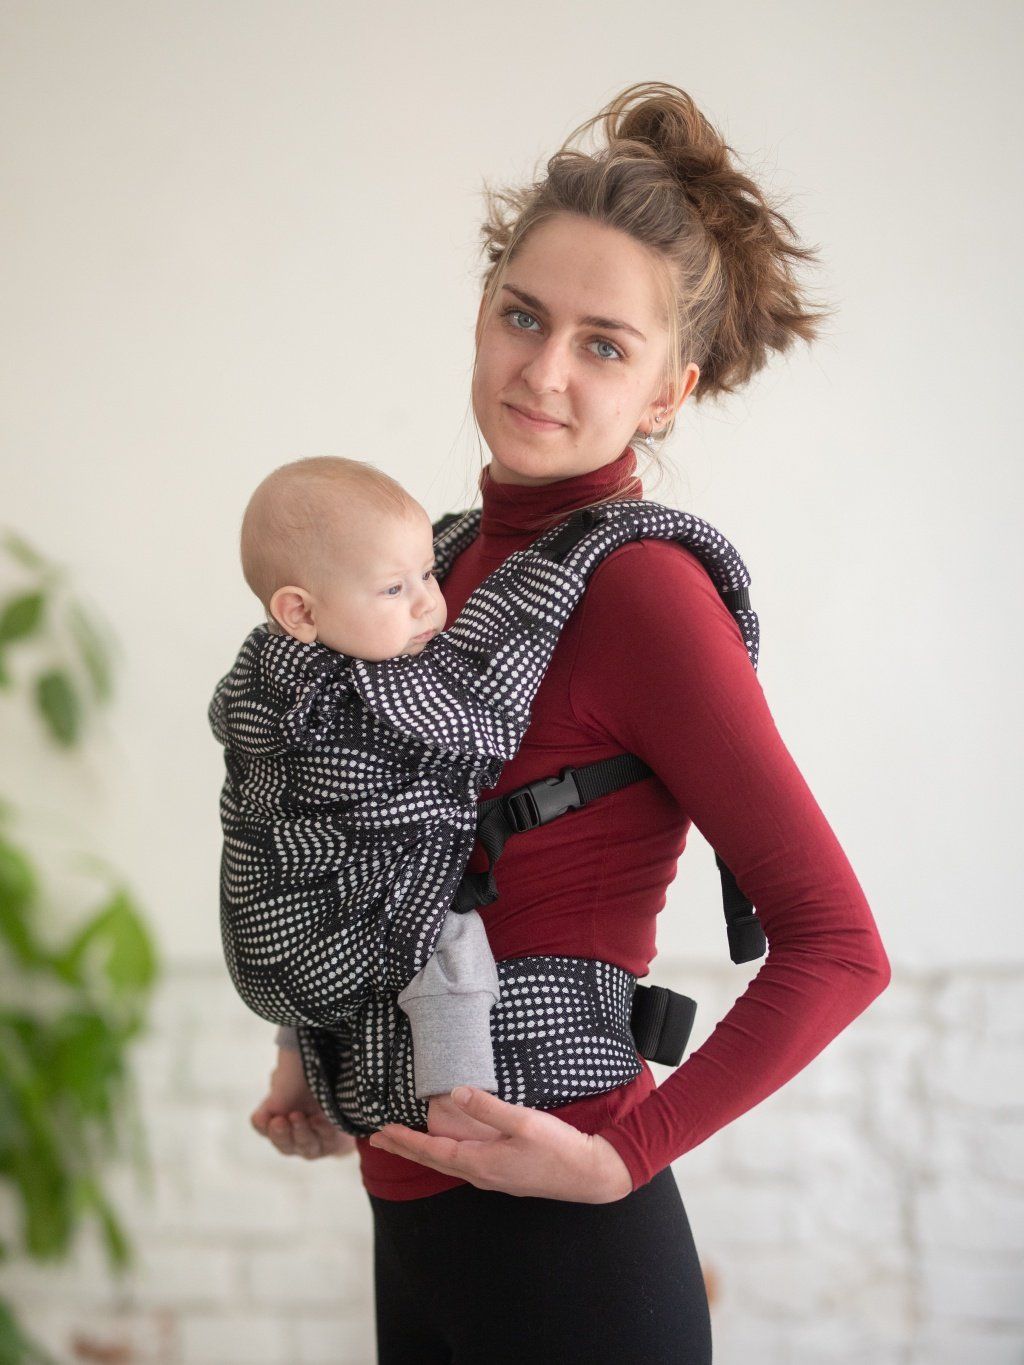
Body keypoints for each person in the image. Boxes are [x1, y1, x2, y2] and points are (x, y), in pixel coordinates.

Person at [249, 80, 891, 1362]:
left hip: (569, 1260)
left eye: (604, 345)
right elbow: (373, 840)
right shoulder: (426, 570)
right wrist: (307, 1045)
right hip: (412, 1218)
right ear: (481, 313)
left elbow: (839, 946)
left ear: (667, 391)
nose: (542, 371)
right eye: (522, 316)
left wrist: (620, 1158)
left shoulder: (641, 591)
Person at [213, 455, 516, 1144]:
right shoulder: (373, 693)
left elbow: (223, 720)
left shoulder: (256, 667)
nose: (427, 603)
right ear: (300, 611)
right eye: (393, 588)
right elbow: (471, 735)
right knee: (440, 927)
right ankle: (457, 1094)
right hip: (315, 921)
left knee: (320, 912)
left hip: (268, 933)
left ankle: (294, 1066)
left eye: (428, 575)